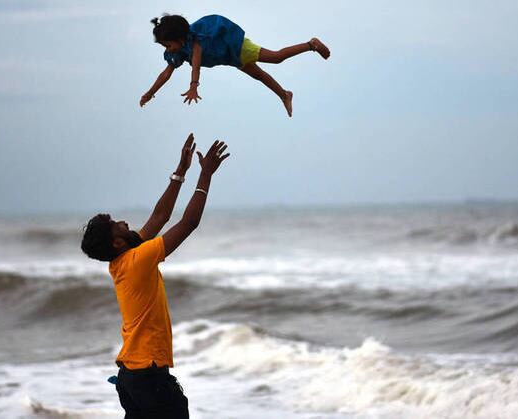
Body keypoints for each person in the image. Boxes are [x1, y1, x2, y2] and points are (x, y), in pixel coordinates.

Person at [80, 133, 230, 418]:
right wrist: (206, 176)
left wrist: (181, 172)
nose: (124, 222)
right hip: (149, 379)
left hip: (130, 379)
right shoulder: (138, 260)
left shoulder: (122, 259)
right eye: (116, 225)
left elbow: (160, 217)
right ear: (117, 243)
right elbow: (189, 223)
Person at [139, 14, 331, 117]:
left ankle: (311, 45)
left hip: (235, 46)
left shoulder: (194, 41)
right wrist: (150, 92)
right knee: (260, 75)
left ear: (179, 38)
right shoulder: (178, 51)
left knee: (276, 57)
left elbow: (196, 63)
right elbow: (165, 74)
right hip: (231, 57)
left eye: (168, 45)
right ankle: (285, 94)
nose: (168, 49)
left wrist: (193, 85)